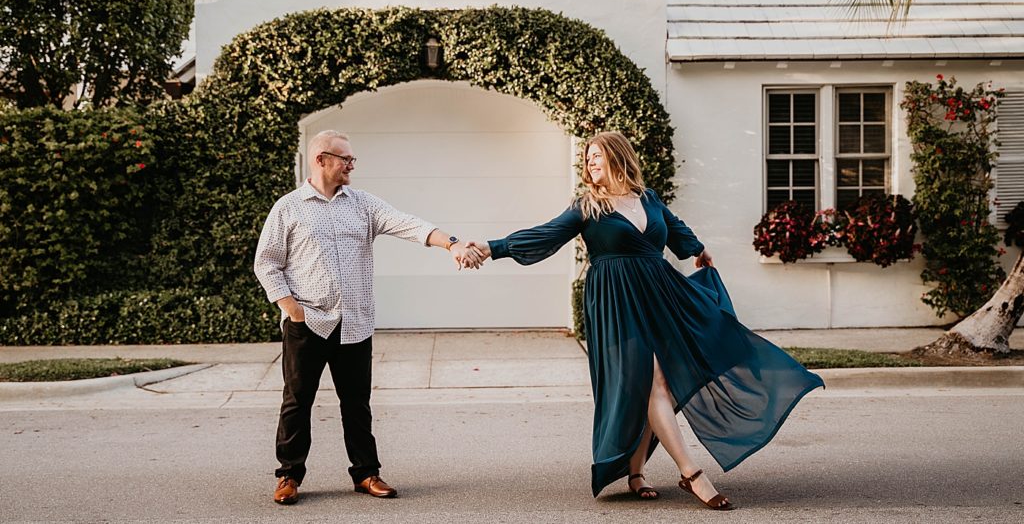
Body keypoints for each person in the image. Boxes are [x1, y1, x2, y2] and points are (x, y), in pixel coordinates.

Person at [464, 131, 823, 510]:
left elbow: (675, 228)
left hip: (659, 294)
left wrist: (699, 250)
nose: (590, 164)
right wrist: (491, 248)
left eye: (597, 156)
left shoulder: (648, 198)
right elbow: (545, 235)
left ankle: (636, 472)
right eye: (587, 159)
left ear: (618, 157)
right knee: (650, 379)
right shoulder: (588, 206)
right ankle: (692, 473)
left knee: (659, 384)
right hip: (615, 302)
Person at [254, 129, 483, 505]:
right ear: (321, 159)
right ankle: (288, 476)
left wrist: (453, 243)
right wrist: (291, 309)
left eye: (352, 159)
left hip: (355, 323)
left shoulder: (361, 204)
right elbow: (266, 263)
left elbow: (408, 224)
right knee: (297, 402)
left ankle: (366, 473)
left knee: (356, 403)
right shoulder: (288, 207)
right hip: (306, 324)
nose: (351, 165)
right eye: (346, 159)